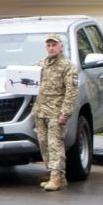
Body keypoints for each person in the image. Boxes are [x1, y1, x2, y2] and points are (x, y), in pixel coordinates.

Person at [32, 33, 79, 191]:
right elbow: (24, 77)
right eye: (49, 45)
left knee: (54, 144)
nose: (51, 48)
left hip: (56, 112)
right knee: (44, 144)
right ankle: (55, 174)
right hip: (41, 111)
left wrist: (64, 113)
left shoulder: (67, 66)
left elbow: (71, 92)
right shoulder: (41, 64)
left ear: (61, 46)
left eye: (54, 45)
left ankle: (56, 177)